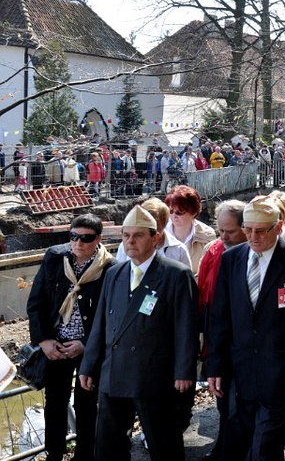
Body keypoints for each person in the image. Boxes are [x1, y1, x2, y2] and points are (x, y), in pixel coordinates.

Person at [207, 196, 285, 461]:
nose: (253, 236)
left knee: (264, 444)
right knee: (245, 438)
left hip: (281, 370)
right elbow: (220, 318)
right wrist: (215, 366)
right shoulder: (232, 259)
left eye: (261, 230)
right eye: (248, 229)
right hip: (240, 370)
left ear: (279, 226)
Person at [79, 205, 199, 461]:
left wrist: (184, 372)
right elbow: (100, 323)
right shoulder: (115, 273)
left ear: (155, 238)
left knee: (163, 444)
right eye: (126, 235)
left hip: (154, 375)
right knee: (108, 447)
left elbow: (186, 327)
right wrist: (88, 365)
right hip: (114, 372)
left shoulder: (176, 275)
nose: (130, 241)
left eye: (138, 235)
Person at [26, 214, 117, 461]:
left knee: (87, 405)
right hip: (57, 344)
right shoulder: (56, 257)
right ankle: (54, 454)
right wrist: (43, 340)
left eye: (85, 238)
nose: (78, 243)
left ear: (98, 239)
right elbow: (36, 302)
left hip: (89, 347)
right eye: (73, 236)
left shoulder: (110, 267)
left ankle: (85, 455)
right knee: (55, 404)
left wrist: (86, 344)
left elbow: (112, 314)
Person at [196, 199, 247, 461]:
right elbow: (203, 295)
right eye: (221, 230)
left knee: (239, 405)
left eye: (230, 231)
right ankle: (225, 446)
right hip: (217, 338)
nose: (224, 236)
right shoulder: (214, 250)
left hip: (244, 342)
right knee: (224, 401)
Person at [116, 197, 191, 269]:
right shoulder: (126, 246)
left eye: (154, 229)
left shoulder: (179, 250)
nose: (150, 234)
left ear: (164, 226)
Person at [165, 185, 218, 274]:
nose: (174, 216)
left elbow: (209, 272)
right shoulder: (160, 232)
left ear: (193, 212)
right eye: (171, 211)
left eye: (179, 212)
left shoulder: (207, 236)